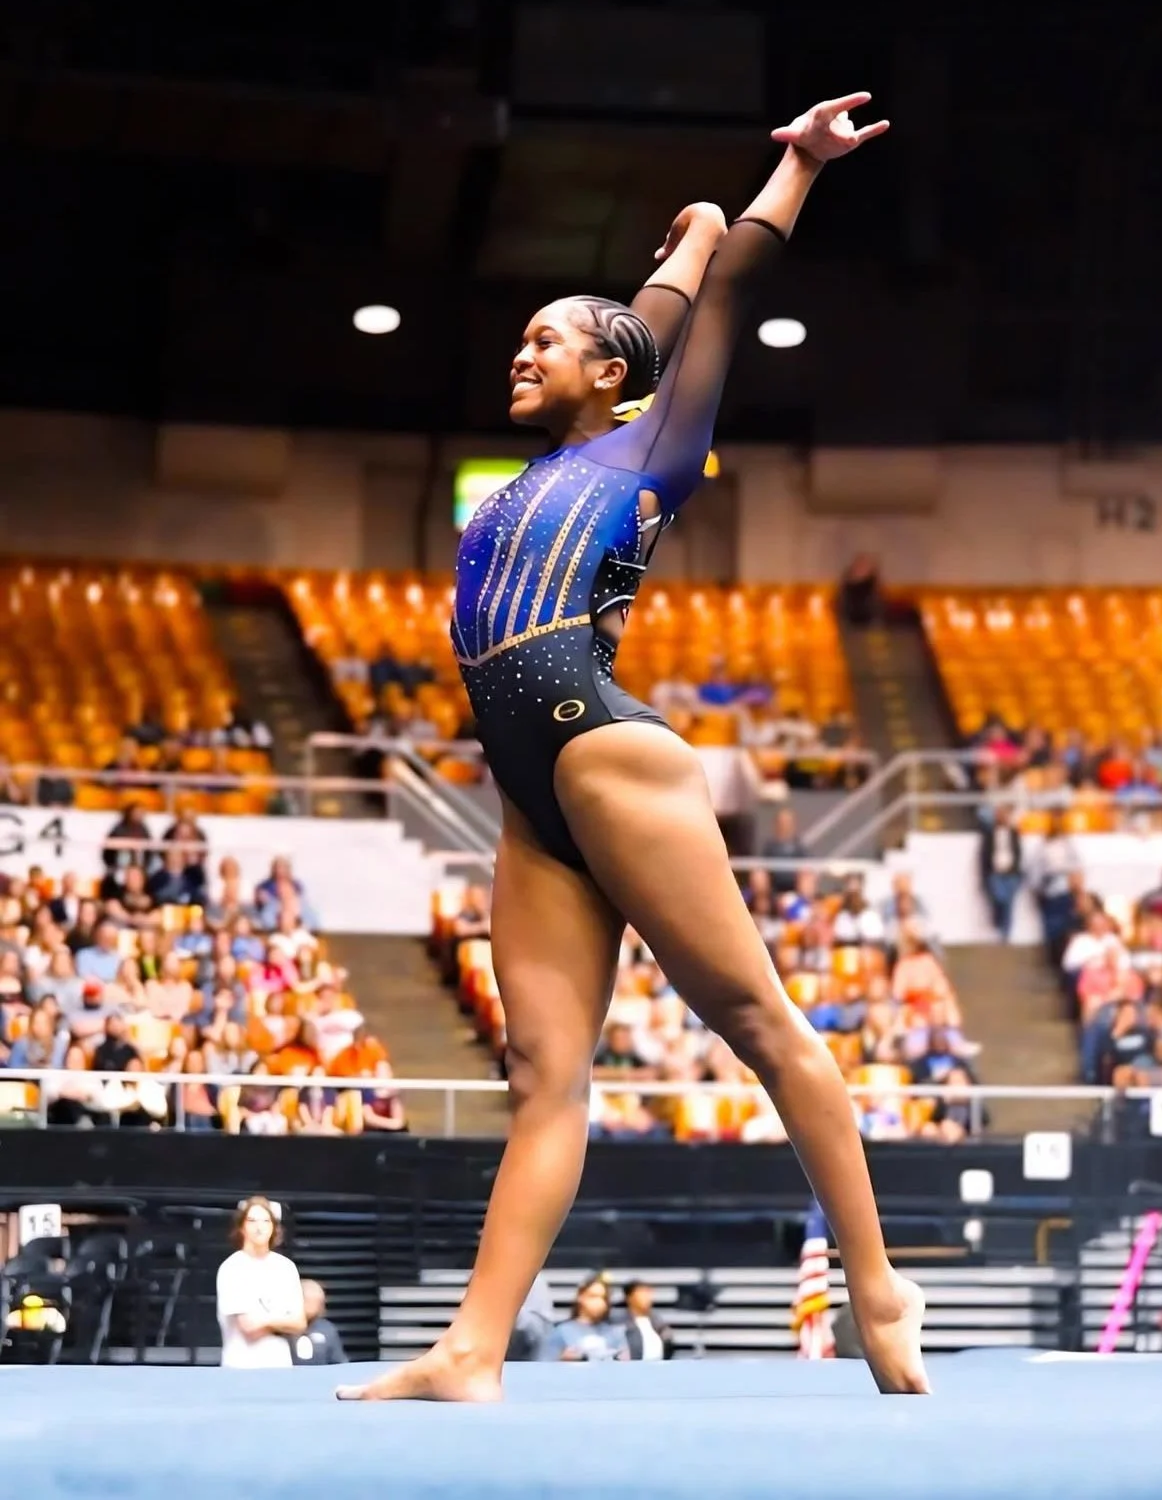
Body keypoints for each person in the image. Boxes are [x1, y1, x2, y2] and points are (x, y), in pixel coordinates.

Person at [340, 90, 927, 1406]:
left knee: (757, 1023)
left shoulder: (657, 441)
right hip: (528, 798)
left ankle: (878, 1286)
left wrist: (782, 173)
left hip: (604, 752)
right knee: (543, 1073)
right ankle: (470, 1349)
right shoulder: (560, 449)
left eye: (542, 342)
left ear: (606, 377)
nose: (519, 354)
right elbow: (650, 314)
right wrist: (676, 248)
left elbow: (706, 299)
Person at [215, 1197, 306, 1368]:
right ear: (242, 1227)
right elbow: (249, 1327)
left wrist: (266, 1321)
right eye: (252, 1221)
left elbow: (299, 1323)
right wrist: (283, 1321)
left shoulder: (286, 1267)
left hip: (280, 1367)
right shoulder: (232, 1268)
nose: (259, 1227)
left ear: (274, 1227)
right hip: (240, 1367)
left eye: (265, 1221)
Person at [292, 1279, 349, 1366]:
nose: (319, 1306)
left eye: (321, 1302)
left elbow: (339, 1363)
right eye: (312, 1301)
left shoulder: (328, 1329)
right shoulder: (280, 1327)